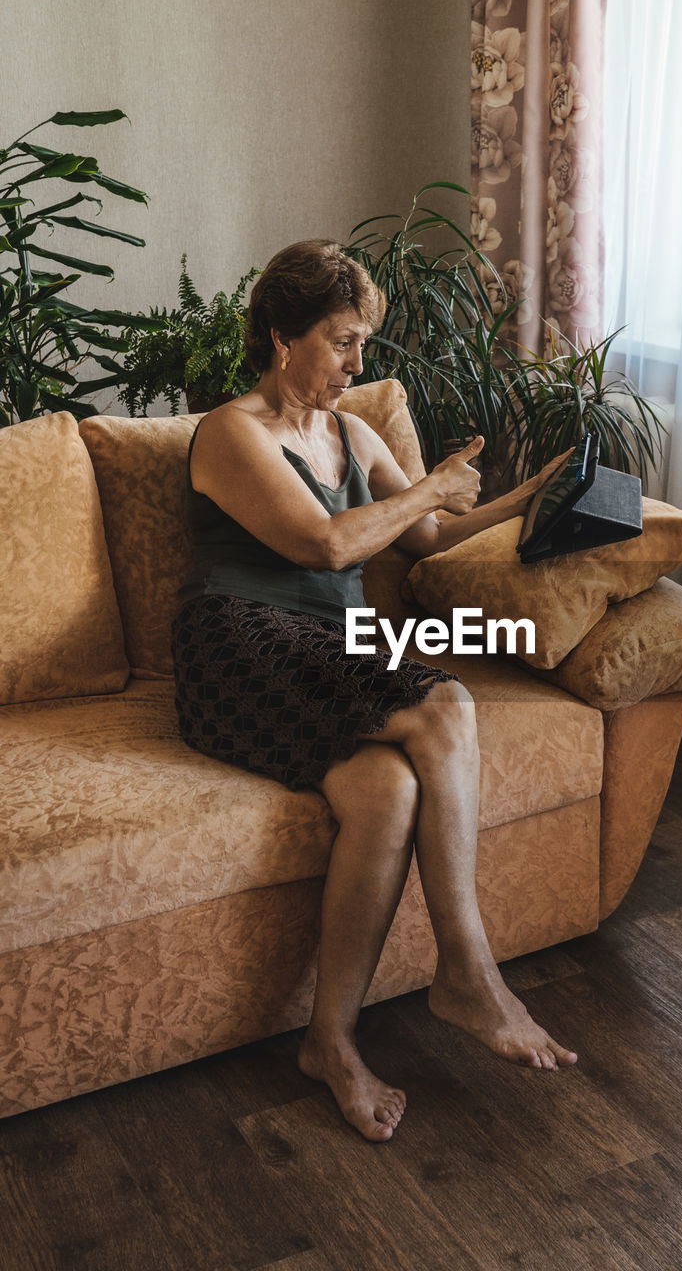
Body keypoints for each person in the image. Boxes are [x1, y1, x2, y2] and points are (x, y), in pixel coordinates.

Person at [172, 240, 577, 1142]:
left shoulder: (354, 430)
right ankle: (468, 974)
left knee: (388, 792)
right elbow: (322, 545)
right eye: (344, 342)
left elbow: (431, 533)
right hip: (237, 644)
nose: (360, 365)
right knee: (446, 701)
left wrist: (534, 493)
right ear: (283, 338)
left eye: (364, 346)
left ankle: (331, 1043)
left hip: (328, 652)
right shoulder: (231, 432)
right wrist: (427, 481)